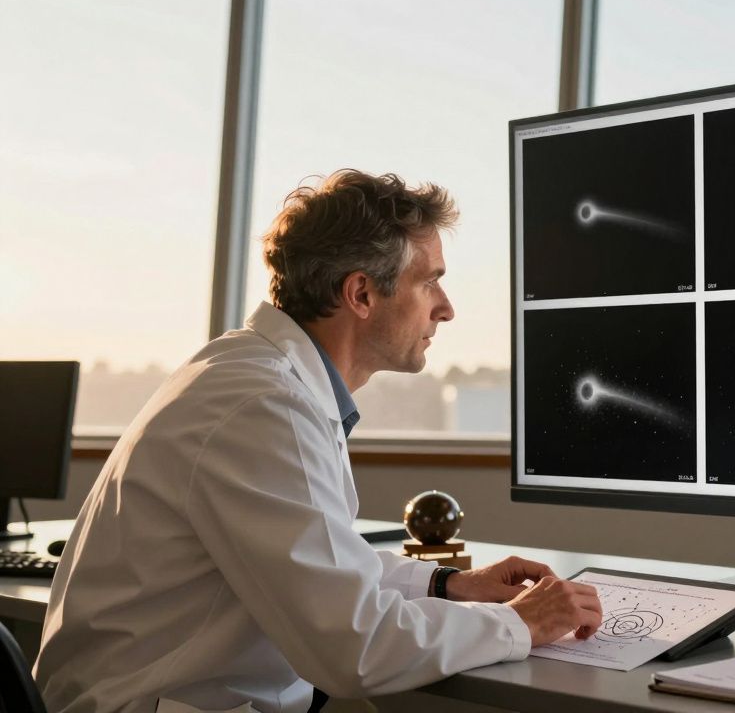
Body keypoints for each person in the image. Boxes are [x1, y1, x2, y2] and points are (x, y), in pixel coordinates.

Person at [34, 170, 602, 713]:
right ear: (361, 293)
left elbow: (318, 562)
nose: (446, 308)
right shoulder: (262, 405)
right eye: (429, 281)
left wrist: (449, 583)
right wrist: (522, 622)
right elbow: (356, 648)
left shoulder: (257, 376)